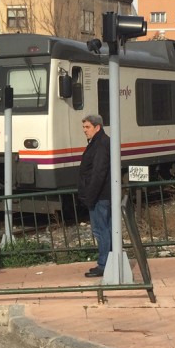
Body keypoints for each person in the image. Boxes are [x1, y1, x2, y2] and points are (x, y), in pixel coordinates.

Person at [78, 113, 111, 278]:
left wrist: (90, 196)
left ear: (97, 127)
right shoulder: (100, 142)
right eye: (84, 127)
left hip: (99, 196)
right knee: (105, 229)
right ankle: (108, 262)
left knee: (100, 230)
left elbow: (98, 172)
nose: (85, 130)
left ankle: (104, 265)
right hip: (101, 195)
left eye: (87, 127)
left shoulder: (100, 144)